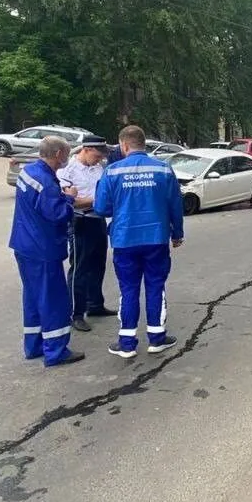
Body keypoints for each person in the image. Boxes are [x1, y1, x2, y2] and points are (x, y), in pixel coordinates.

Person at [94, 125, 184, 360]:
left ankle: (127, 344)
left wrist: (121, 205)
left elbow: (101, 208)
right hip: (156, 238)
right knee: (155, 285)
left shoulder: (112, 171)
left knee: (128, 289)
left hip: (124, 239)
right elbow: (176, 205)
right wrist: (177, 234)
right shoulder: (164, 169)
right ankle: (156, 339)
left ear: (124, 145)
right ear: (143, 144)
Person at [9, 135, 85, 367]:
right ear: (59, 155)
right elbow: (57, 214)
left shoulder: (29, 171)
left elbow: (38, 202)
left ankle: (34, 346)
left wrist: (59, 196)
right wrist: (70, 199)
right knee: (53, 299)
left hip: (23, 244)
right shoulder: (45, 180)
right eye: (67, 154)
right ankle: (56, 351)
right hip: (43, 248)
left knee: (33, 297)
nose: (67, 159)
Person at [57, 136, 118, 333]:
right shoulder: (68, 171)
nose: (99, 159)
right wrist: (97, 199)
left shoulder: (99, 168)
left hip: (97, 219)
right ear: (86, 149)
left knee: (98, 264)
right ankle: (76, 313)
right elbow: (69, 200)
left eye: (102, 156)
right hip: (79, 221)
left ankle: (95, 304)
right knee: (80, 268)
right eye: (97, 155)